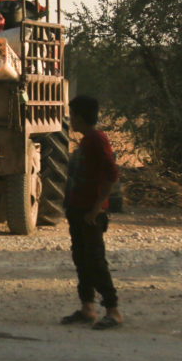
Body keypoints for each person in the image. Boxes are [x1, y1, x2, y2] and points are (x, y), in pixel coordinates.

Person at [60, 95, 124, 330]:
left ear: (79, 116)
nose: (71, 120)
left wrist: (96, 208)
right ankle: (88, 307)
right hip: (78, 210)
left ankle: (113, 310)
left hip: (90, 213)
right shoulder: (88, 140)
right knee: (81, 259)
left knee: (96, 261)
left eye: (72, 115)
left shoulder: (97, 140)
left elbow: (111, 174)